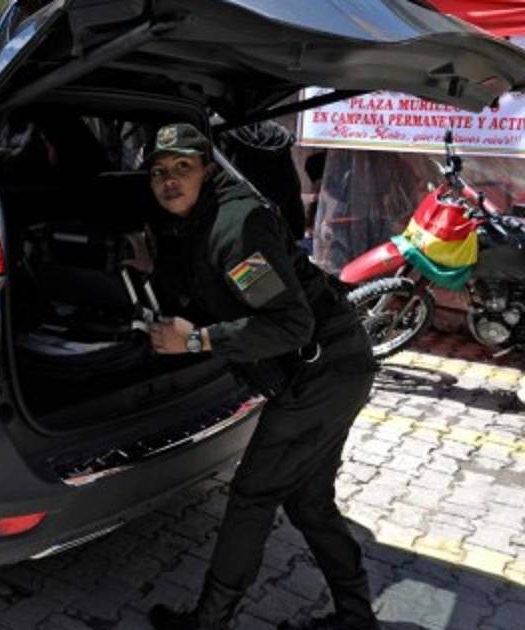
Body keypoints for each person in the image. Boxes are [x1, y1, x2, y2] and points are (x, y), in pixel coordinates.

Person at [142, 123, 379, 630]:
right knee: (309, 503)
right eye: (159, 172)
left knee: (253, 496)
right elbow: (208, 283)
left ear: (208, 170)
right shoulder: (195, 222)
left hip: (322, 371)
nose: (170, 181)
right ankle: (356, 617)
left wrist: (194, 340)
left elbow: (291, 325)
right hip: (330, 366)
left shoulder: (238, 226)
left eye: (183, 167)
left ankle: (209, 621)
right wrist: (151, 266)